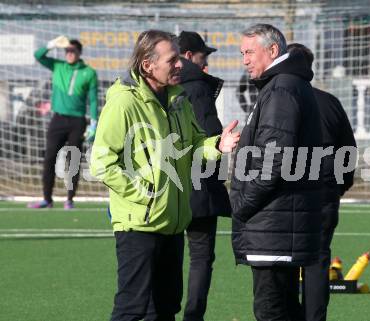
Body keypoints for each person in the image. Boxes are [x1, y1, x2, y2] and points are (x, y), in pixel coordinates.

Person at [90, 30, 239, 321]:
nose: (180, 64)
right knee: (132, 309)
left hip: (173, 223)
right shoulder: (123, 103)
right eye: (172, 60)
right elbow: (102, 162)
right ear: (148, 65)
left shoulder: (179, 100)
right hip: (139, 226)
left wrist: (217, 145)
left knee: (167, 308)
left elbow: (194, 147)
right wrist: (144, 195)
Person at [230, 24, 323, 321]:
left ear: (272, 51)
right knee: (283, 308)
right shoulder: (283, 84)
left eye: (249, 52)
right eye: (242, 53)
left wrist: (241, 206)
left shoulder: (282, 88)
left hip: (274, 223)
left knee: (271, 310)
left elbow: (273, 162)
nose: (244, 60)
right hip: (279, 223)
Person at [287, 43, 357, 321]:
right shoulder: (330, 102)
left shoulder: (280, 98)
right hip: (325, 188)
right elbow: (348, 151)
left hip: (290, 191)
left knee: (286, 260)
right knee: (317, 258)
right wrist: (340, 185)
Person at [177, 30, 232, 321]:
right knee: (200, 257)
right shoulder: (197, 87)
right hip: (197, 185)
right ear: (189, 56)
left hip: (167, 185)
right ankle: (193, 317)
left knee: (167, 257)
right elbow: (208, 134)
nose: (206, 62)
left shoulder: (162, 86)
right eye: (203, 56)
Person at [28, 36, 98, 210]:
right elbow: (38, 55)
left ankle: (69, 199)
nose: (69, 54)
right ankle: (47, 199)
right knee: (49, 157)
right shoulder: (57, 66)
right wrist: (51, 44)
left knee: (73, 159)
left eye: (72, 51)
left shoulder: (89, 72)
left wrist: (94, 123)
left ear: (79, 52)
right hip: (58, 119)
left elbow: (94, 100)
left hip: (77, 121)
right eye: (67, 51)